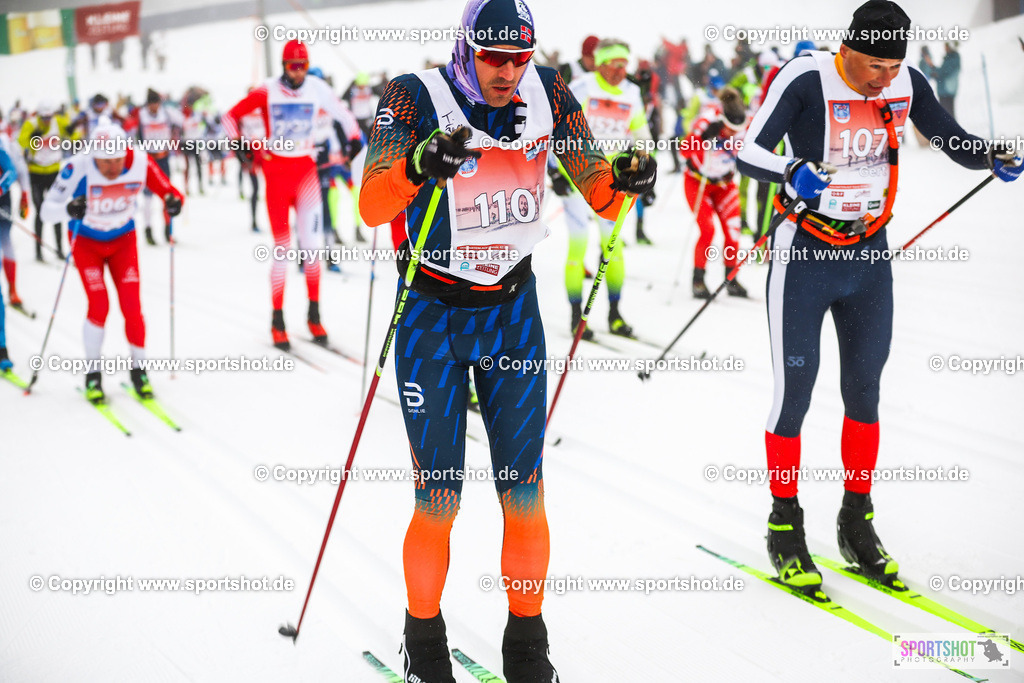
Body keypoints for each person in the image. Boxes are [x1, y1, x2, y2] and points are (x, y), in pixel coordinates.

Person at [359, 0, 655, 680]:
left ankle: (527, 643)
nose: (508, 71)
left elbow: (600, 192)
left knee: (524, 489)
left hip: (511, 311)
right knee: (439, 497)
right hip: (431, 312)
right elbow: (372, 205)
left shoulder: (549, 90)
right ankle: (424, 641)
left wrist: (629, 179)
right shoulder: (415, 97)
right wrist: (419, 164)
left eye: (520, 57)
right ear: (466, 48)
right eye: (494, 57)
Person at [736, 0, 1021, 594]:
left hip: (869, 258)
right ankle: (784, 525)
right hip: (805, 258)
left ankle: (855, 519)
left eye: (893, 67)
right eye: (873, 65)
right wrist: (792, 172)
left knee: (865, 393)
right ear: (847, 48)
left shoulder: (906, 82)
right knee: (795, 394)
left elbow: (949, 137)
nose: (883, 79)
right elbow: (749, 151)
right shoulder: (806, 77)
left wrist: (991, 153)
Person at [222, 40, 361, 350]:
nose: (297, 73)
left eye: (302, 66)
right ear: (283, 66)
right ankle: (278, 319)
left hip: (306, 175)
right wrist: (240, 145)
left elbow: (343, 112)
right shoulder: (267, 89)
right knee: (282, 251)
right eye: (292, 67)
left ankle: (314, 315)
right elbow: (229, 118)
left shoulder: (316, 86)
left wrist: (353, 138)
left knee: (312, 249)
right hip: (276, 177)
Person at [40, 123, 183, 402]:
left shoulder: (140, 160)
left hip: (123, 241)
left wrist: (174, 202)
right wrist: (68, 209)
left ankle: (139, 369)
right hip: (86, 243)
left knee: (132, 306)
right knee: (99, 304)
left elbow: (169, 192)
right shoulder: (77, 165)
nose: (113, 167)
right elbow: (47, 211)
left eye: (118, 160)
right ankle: (93, 374)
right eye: (105, 162)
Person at [557, 38, 652, 340]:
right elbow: (556, 126)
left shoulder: (632, 93)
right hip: (575, 176)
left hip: (611, 182)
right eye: (615, 64)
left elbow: (643, 138)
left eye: (625, 65)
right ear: (600, 64)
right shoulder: (583, 87)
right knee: (578, 246)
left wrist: (647, 171)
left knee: (614, 248)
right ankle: (576, 317)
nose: (621, 71)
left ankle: (614, 314)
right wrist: (551, 169)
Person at [679, 86, 748, 299]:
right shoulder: (706, 121)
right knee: (707, 230)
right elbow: (684, 150)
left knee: (733, 231)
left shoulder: (747, 124)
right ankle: (698, 280)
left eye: (737, 128)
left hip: (724, 185)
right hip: (698, 182)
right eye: (728, 128)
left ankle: (731, 278)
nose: (733, 132)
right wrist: (702, 138)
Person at [18, 101, 75, 262]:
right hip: (36, 172)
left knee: (57, 209)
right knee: (40, 210)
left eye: (49, 117)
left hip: (54, 172)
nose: (47, 121)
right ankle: (38, 251)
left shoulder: (58, 121)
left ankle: (59, 249)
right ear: (38, 115)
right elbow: (21, 142)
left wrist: (71, 132)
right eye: (44, 118)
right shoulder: (31, 124)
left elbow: (73, 134)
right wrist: (31, 138)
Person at [132, 88, 182, 245]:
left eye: (157, 104)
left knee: (167, 195)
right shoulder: (141, 114)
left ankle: (168, 231)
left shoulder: (167, 112)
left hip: (164, 158)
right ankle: (148, 231)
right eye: (152, 105)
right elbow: (128, 126)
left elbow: (183, 121)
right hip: (148, 160)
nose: (155, 108)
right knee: (147, 198)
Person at [0, 118, 30, 306]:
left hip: (2, 199)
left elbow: (13, 170)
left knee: (6, 241)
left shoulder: (3, 143)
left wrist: (2, 188)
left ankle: (12, 290)